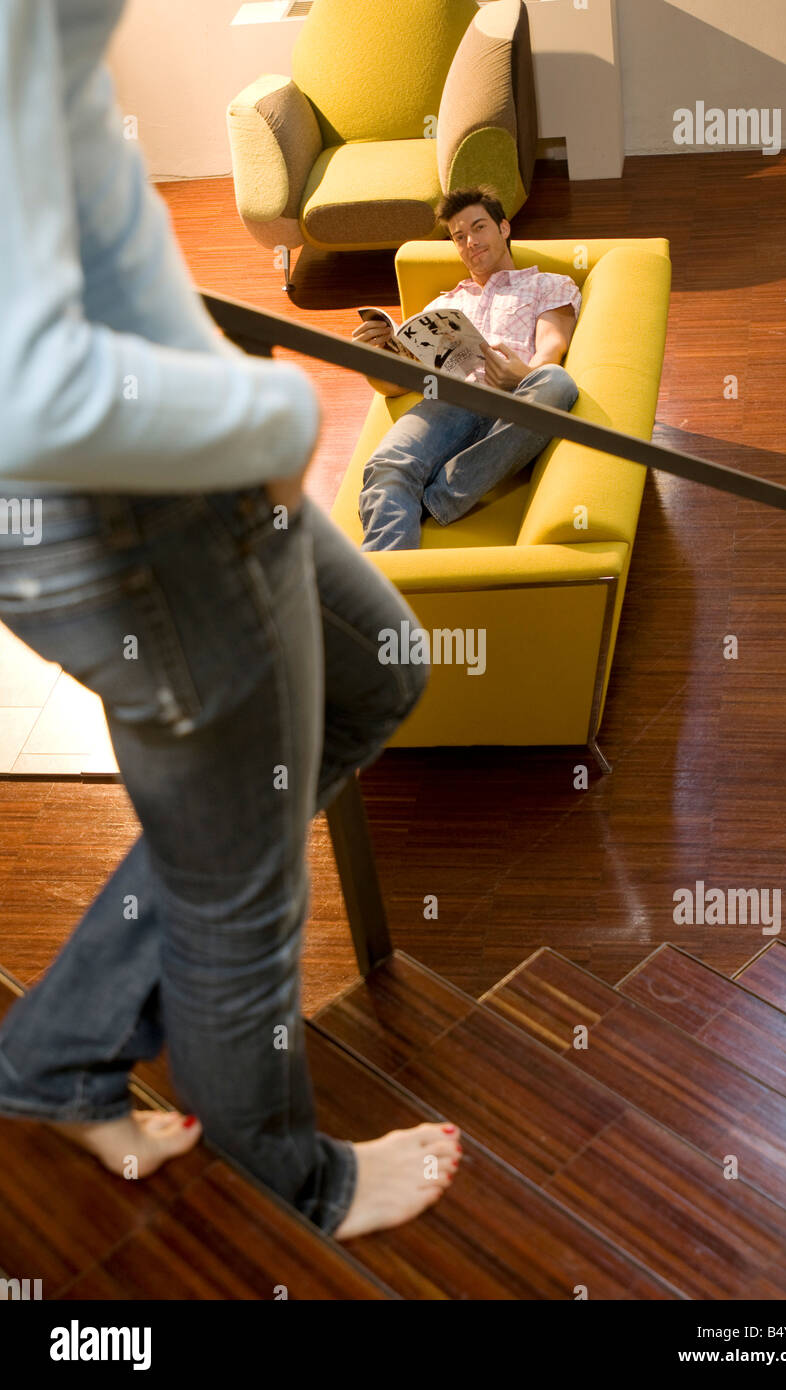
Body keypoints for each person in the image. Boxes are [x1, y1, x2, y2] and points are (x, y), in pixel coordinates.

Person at [0, 0, 462, 1242]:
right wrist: (271, 418)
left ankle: (59, 1046)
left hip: (166, 434)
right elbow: (23, 393)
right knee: (235, 895)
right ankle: (289, 1176)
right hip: (127, 503)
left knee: (375, 665)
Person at [353, 186, 582, 551]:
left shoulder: (547, 285)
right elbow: (394, 385)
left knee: (557, 382)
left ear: (504, 228)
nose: (470, 242)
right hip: (447, 403)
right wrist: (369, 361)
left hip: (515, 402)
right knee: (388, 466)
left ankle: (437, 498)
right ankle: (382, 591)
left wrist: (520, 375)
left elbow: (552, 349)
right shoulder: (442, 303)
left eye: (479, 228)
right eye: (459, 237)